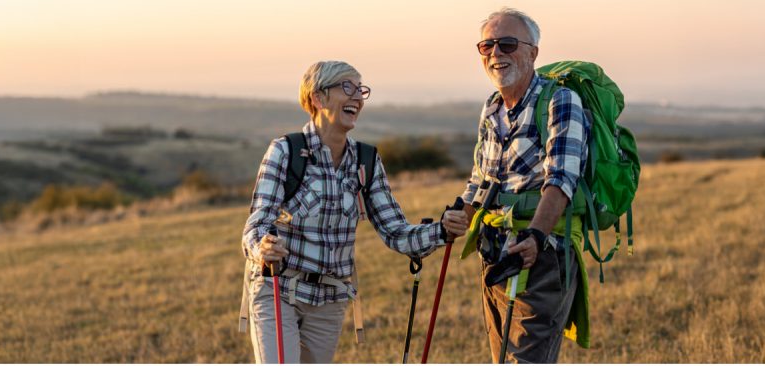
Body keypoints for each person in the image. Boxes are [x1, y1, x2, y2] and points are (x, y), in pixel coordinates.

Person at [240, 60, 468, 363]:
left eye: (361, 90)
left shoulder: (366, 160)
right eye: (347, 87)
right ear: (318, 98)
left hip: (330, 300)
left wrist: (442, 230)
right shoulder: (285, 151)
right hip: (278, 291)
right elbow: (256, 224)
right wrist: (262, 248)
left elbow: (396, 232)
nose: (358, 98)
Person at [459, 7, 591, 363]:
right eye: (486, 46)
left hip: (543, 254)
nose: (496, 54)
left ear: (533, 52)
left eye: (507, 44)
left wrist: (535, 236)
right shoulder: (491, 108)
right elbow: (480, 181)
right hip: (494, 255)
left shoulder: (561, 101)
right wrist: (455, 216)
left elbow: (561, 180)